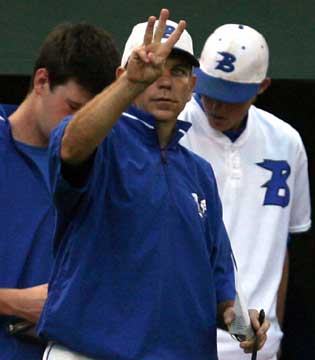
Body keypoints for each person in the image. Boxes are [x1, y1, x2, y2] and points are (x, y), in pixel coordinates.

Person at [37, 9, 269, 360]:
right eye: (150, 67)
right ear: (122, 74)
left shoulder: (199, 173)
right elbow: (70, 148)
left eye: (177, 71)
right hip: (89, 352)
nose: (163, 80)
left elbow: (220, 287)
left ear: (192, 85)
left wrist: (243, 328)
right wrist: (131, 83)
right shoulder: (102, 142)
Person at [179, 23, 311, 360]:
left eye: (229, 97)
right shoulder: (172, 130)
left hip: (256, 346)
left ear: (261, 87)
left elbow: (280, 244)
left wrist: (275, 330)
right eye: (209, 91)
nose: (216, 106)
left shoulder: (286, 142)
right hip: (183, 341)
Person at [0, 23, 120, 359]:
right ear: (42, 82)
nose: (81, 126)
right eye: (74, 108)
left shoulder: (107, 162)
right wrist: (16, 302)